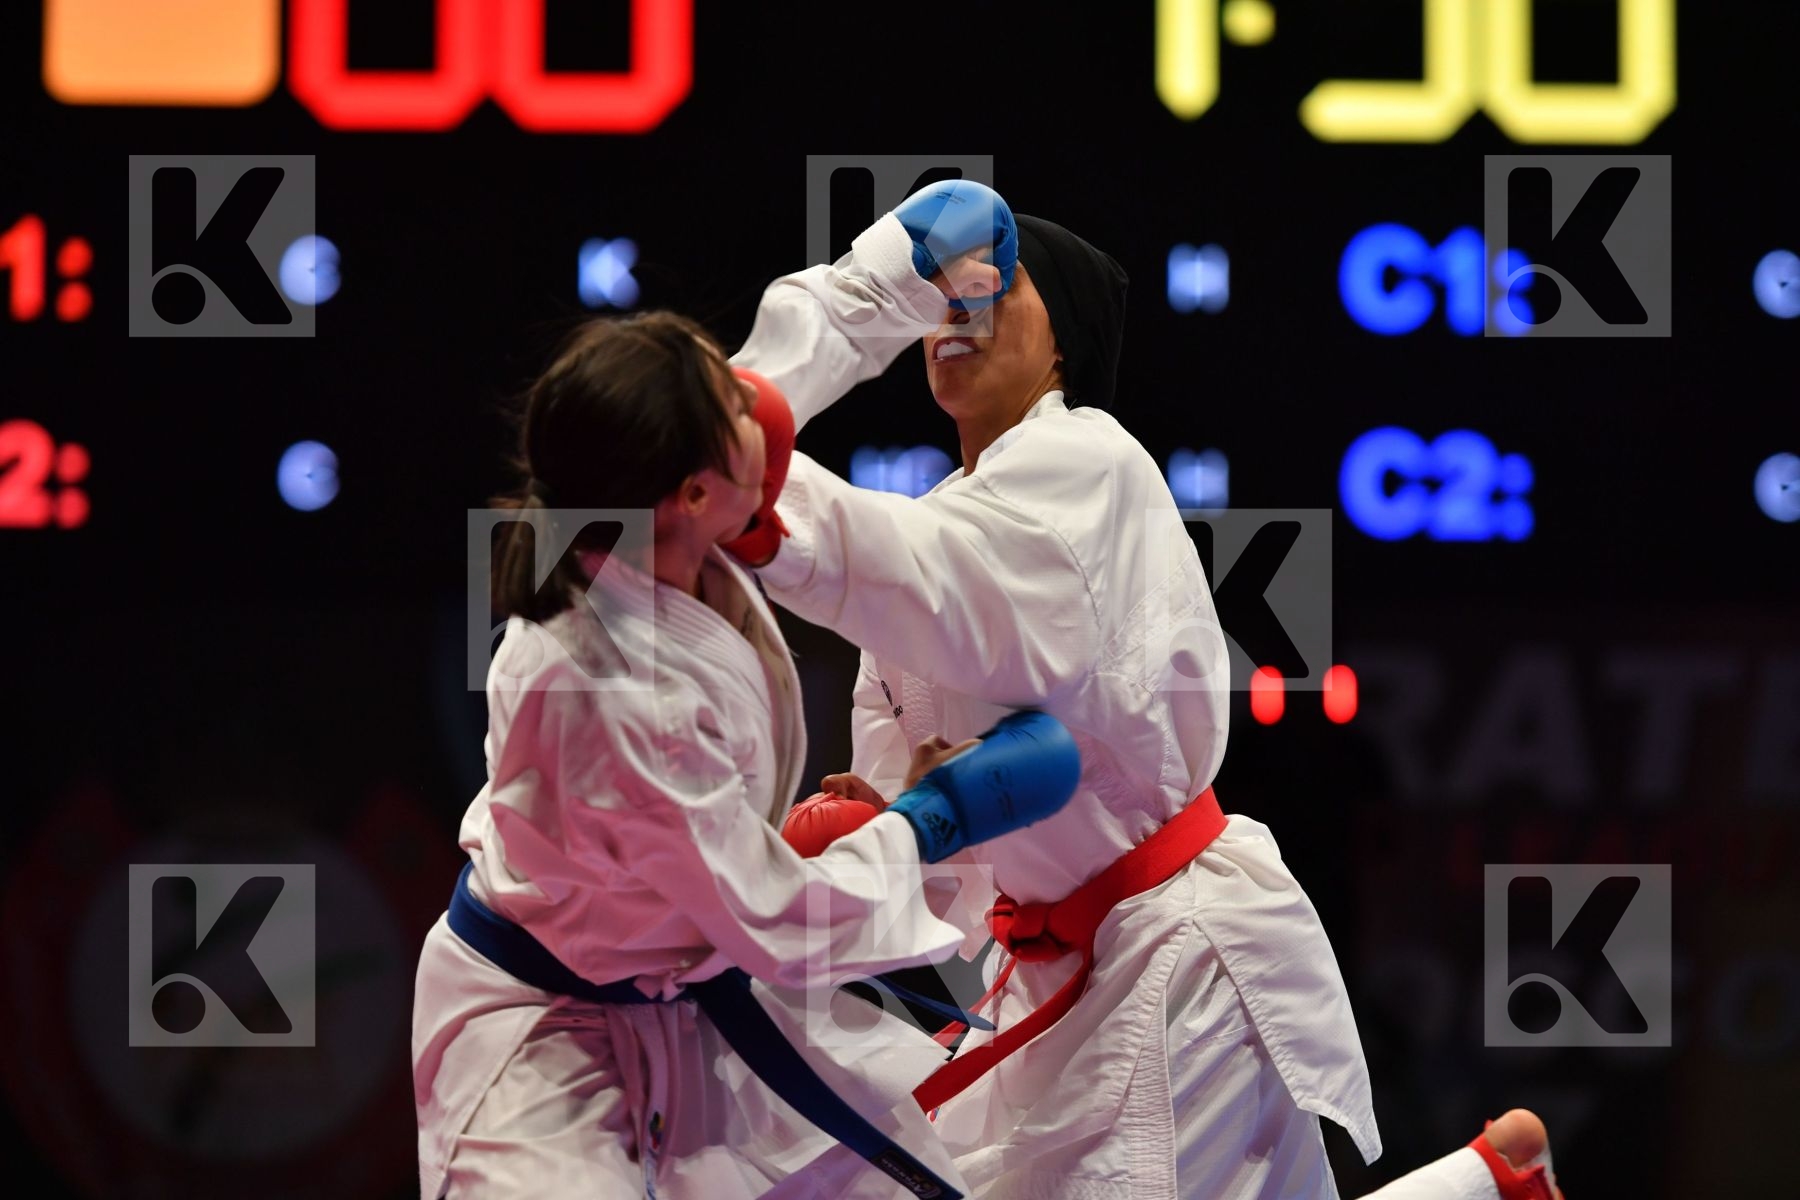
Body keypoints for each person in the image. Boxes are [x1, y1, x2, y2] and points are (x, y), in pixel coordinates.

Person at [728, 181, 1564, 1200]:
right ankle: (1489, 1178)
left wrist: (746, 485)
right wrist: (882, 831)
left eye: (997, 285)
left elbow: (914, 571)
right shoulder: (943, 520)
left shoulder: (1084, 459)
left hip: (1171, 948)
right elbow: (952, 860)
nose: (959, 305)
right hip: (1051, 965)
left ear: (1062, 345)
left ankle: (1490, 1176)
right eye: (944, 289)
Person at [410, 310, 1084, 1199]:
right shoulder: (617, 691)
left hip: (675, 986)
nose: (762, 404)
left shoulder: (640, 511)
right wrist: (929, 820)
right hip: (545, 1038)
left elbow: (786, 354)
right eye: (735, 406)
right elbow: (773, 920)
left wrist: (893, 270)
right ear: (694, 494)